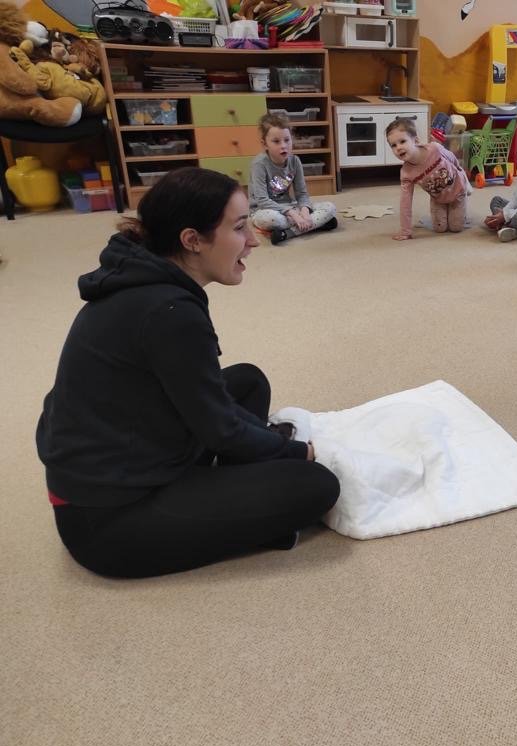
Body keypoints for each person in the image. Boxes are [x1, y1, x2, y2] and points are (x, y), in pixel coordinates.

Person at [36, 168, 341, 578]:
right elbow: (222, 429)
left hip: (132, 449)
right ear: (192, 240)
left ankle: (232, 489)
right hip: (108, 518)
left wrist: (263, 445)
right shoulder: (168, 311)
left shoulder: (145, 279)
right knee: (317, 484)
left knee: (248, 380)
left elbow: (211, 410)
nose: (253, 240)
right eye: (238, 227)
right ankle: (241, 507)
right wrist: (299, 452)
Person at [249, 112, 338, 246]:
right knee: (273, 220)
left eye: (287, 140)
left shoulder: (295, 161)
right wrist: (293, 214)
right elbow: (262, 200)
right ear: (265, 144)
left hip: (290, 206)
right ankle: (316, 225)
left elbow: (302, 194)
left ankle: (288, 233)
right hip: (263, 210)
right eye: (276, 141)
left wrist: (305, 212)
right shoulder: (259, 164)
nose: (283, 145)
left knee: (330, 207)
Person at [387, 117, 470, 241]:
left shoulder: (434, 148)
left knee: (456, 228)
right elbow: (405, 203)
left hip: (458, 191)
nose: (398, 148)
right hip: (438, 199)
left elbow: (452, 158)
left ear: (415, 140)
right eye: (393, 145)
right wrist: (405, 231)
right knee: (440, 229)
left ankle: (462, 203)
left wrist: (461, 174)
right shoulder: (406, 174)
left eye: (402, 141)